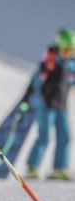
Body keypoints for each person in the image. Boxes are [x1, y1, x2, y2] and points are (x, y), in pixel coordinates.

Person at [22, 28, 75, 180]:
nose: (68, 53)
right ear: (59, 47)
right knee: (44, 137)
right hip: (46, 105)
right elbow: (35, 82)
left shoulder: (70, 65)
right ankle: (32, 168)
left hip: (62, 106)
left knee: (65, 136)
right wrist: (26, 100)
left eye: (71, 50)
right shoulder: (49, 62)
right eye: (65, 50)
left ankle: (59, 169)